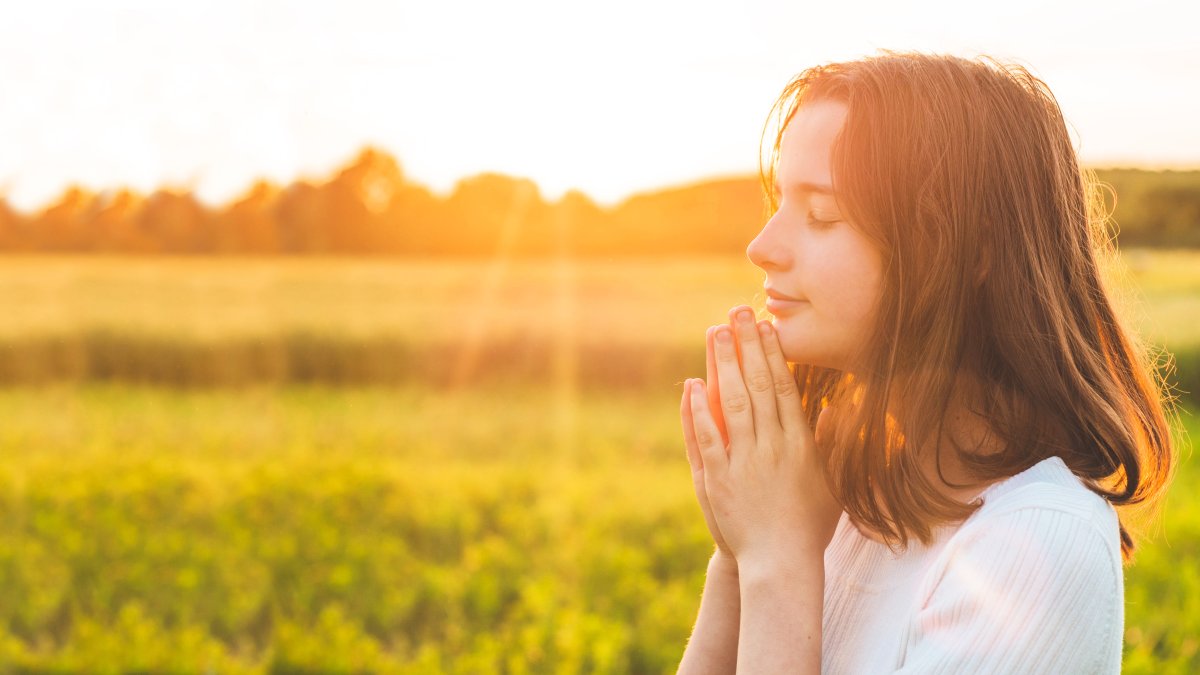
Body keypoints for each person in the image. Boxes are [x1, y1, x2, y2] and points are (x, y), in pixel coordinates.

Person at [676, 51, 1177, 674]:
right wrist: (738, 556)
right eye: (778, 204)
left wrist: (777, 561)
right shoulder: (849, 499)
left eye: (822, 214)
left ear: (967, 250)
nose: (762, 247)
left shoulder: (1037, 543)